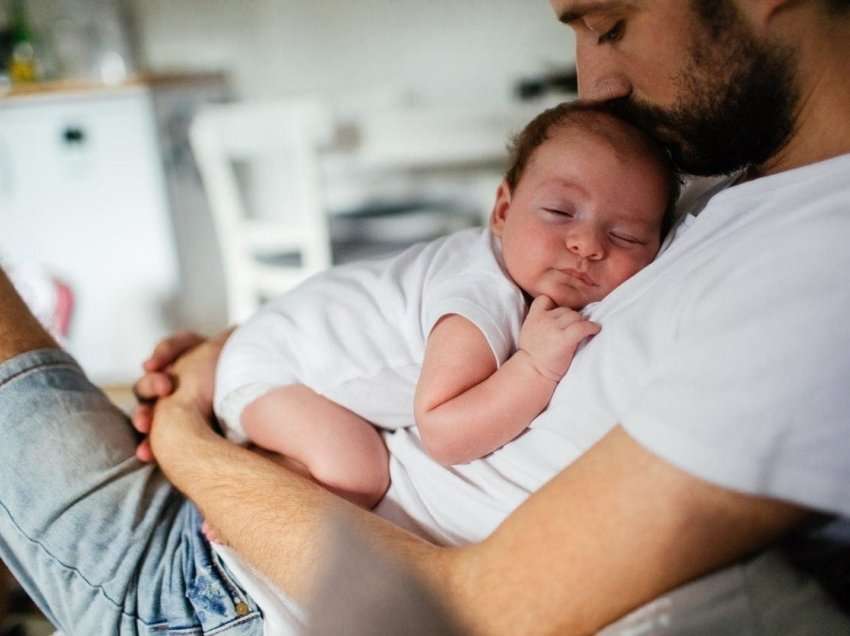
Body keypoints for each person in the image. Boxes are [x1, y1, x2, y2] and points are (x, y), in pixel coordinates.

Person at [0, 0, 848, 634]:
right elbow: (441, 285)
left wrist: (187, 434)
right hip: (270, 502)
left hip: (235, 593)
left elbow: (463, 611)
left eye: (610, 22)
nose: (599, 84)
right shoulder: (711, 177)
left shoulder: (820, 267)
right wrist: (237, 356)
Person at [210, 101, 676, 515]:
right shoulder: (481, 297)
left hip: (286, 338)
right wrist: (536, 367)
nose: (587, 244)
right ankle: (242, 491)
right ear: (501, 212)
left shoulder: (515, 272)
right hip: (274, 367)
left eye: (627, 236)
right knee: (358, 472)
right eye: (559, 212)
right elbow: (444, 434)